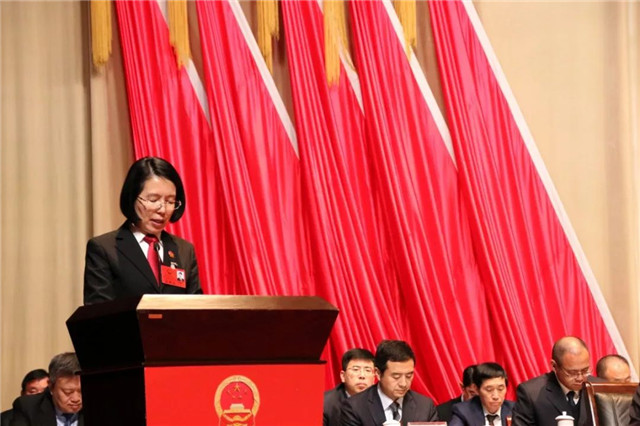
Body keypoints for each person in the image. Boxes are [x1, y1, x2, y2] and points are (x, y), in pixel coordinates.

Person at [84, 157, 202, 304]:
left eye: (170, 201)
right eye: (153, 200)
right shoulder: (104, 249)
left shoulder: (184, 250)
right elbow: (98, 311)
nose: (162, 210)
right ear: (132, 197)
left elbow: (196, 308)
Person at [341, 339, 438, 425]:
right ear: (378, 373)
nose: (403, 384)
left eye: (409, 376)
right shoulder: (354, 407)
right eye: (396, 376)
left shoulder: (425, 406)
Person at [511, 336, 593, 426]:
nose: (580, 378)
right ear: (554, 366)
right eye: (572, 372)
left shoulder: (599, 388)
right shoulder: (531, 393)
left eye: (585, 370)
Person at [11, 352, 83, 426]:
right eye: (68, 392)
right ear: (51, 387)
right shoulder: (28, 407)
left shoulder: (91, 407)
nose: (76, 399)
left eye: (82, 391)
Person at [449, 362, 514, 426]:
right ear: (477, 389)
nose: (496, 396)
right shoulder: (464, 411)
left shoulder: (515, 410)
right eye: (489, 390)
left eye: (500, 389)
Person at [324, 348, 376, 426]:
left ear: (374, 377)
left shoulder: (381, 399)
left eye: (367, 370)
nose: (362, 375)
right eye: (355, 369)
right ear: (343, 376)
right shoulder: (326, 403)